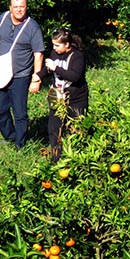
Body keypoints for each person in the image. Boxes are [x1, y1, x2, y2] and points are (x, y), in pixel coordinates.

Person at [0, 0, 44, 150]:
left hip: (20, 76)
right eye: (15, 7)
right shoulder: (3, 18)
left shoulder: (33, 27)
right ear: (10, 8)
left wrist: (36, 78)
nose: (19, 10)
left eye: (22, 7)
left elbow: (38, 54)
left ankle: (20, 143)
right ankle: (9, 136)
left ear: (26, 7)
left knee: (20, 112)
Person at [37, 27, 89, 163]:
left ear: (67, 44)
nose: (54, 48)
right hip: (59, 98)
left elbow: (74, 76)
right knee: (54, 128)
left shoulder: (77, 56)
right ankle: (55, 158)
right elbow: (49, 69)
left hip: (76, 98)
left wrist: (56, 68)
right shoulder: (55, 54)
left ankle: (78, 158)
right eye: (53, 45)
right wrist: (38, 75)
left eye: (57, 45)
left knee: (77, 128)